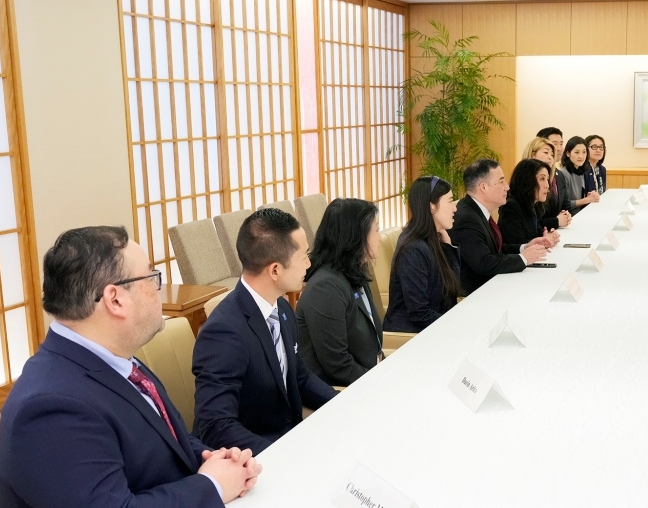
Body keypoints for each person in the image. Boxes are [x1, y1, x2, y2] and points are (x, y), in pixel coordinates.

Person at [0, 226, 262, 508]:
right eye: (151, 278)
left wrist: (210, 459)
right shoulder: (51, 404)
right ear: (115, 298)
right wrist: (211, 486)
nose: (160, 288)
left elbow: (162, 441)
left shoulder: (117, 361)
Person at [193, 208, 337, 455]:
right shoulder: (224, 332)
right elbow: (216, 425)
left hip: (293, 442)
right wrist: (280, 456)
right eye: (303, 256)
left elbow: (299, 377)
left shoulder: (280, 306)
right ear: (275, 270)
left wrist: (343, 404)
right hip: (255, 458)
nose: (309, 264)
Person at [294, 198, 383, 386]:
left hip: (366, 376)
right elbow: (337, 365)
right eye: (376, 229)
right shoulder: (326, 287)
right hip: (338, 392)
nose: (380, 236)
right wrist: (380, 383)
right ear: (356, 235)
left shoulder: (354, 269)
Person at [450, 159, 553, 294]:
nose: (507, 187)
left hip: (493, 284)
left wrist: (524, 248)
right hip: (477, 295)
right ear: (483, 187)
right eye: (501, 182)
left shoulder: (476, 210)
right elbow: (484, 263)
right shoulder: (466, 218)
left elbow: (494, 250)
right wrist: (523, 258)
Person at [383, 176, 462, 332]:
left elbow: (452, 293)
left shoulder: (434, 237)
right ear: (431, 206)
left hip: (433, 326)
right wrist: (456, 326)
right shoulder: (413, 248)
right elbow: (419, 313)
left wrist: (448, 247)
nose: (455, 208)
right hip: (412, 335)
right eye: (450, 201)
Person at [499, 158, 560, 249]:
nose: (547, 185)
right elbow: (518, 245)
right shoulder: (511, 206)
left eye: (547, 179)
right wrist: (543, 241)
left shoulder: (533, 204)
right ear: (527, 180)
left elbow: (536, 233)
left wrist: (547, 236)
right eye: (542, 179)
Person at [523, 137, 571, 230]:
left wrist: (565, 216)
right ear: (532, 155)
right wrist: (556, 221)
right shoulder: (524, 184)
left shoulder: (558, 176)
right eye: (546, 153)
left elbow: (565, 206)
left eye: (552, 155)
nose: (550, 157)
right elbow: (531, 223)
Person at [560, 136, 601, 214]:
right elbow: (564, 204)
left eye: (584, 152)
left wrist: (590, 195)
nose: (581, 156)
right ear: (568, 153)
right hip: (570, 217)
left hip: (582, 213)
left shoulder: (582, 171)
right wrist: (586, 200)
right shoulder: (564, 173)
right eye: (577, 152)